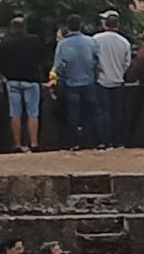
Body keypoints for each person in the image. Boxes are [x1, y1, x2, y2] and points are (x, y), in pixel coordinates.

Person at [1, 16, 48, 153]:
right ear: (25, 27)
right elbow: (43, 58)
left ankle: (17, 144)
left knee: (15, 113)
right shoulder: (34, 40)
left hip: (12, 81)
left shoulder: (5, 43)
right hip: (31, 80)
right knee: (32, 112)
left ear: (11, 27)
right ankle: (34, 143)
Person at [53, 14, 100, 149]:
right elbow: (97, 61)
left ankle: (75, 143)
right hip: (89, 82)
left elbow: (59, 66)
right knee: (92, 112)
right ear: (81, 26)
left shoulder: (62, 44)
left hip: (71, 84)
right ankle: (95, 141)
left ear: (68, 27)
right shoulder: (91, 42)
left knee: (73, 115)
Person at [92, 12, 132, 149]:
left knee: (103, 112)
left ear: (105, 24)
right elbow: (127, 63)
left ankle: (104, 141)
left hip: (101, 80)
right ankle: (118, 141)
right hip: (117, 80)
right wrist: (120, 72)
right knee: (117, 112)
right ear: (118, 25)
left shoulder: (96, 39)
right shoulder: (124, 42)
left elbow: (92, 59)